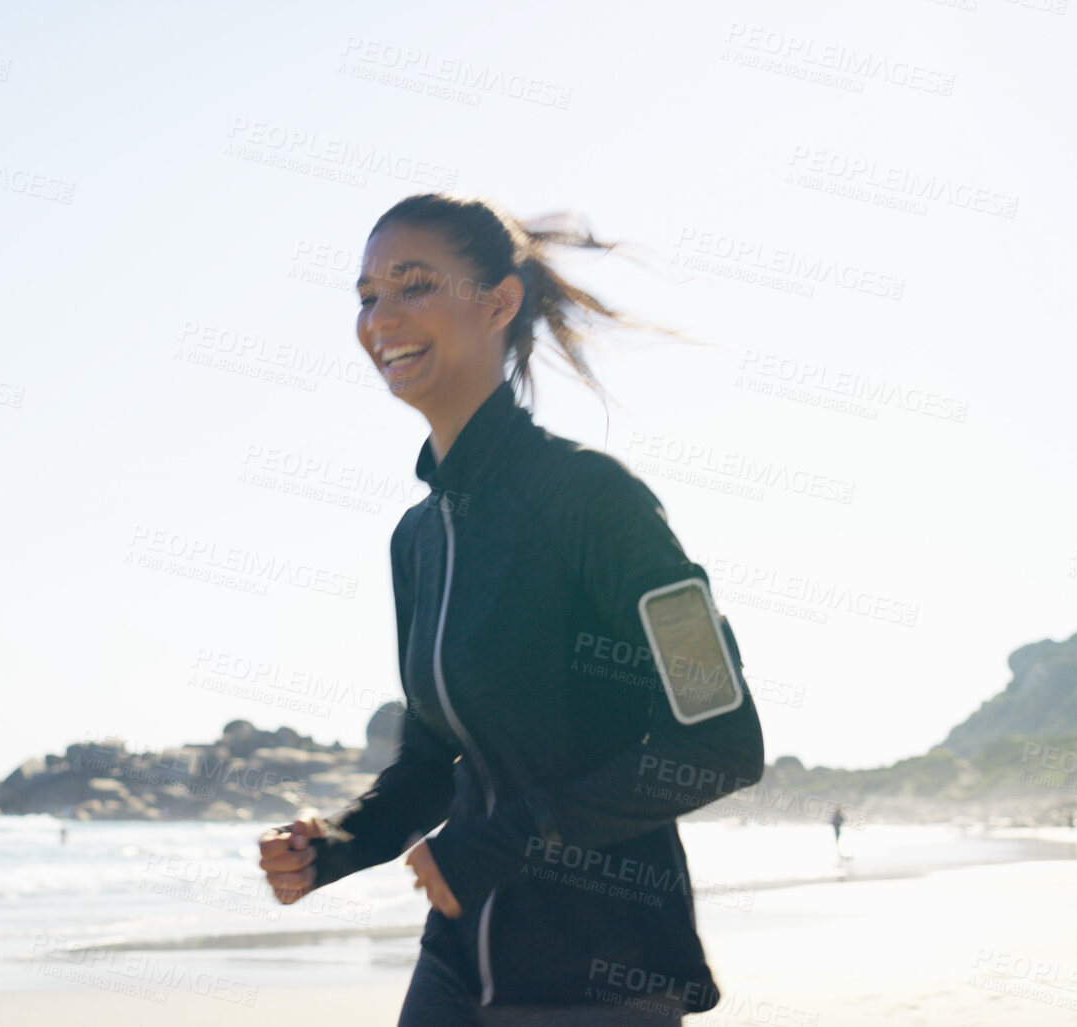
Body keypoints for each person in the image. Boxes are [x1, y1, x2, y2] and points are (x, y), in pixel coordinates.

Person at [258, 194, 766, 1024]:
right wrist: (339, 844)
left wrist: (503, 840)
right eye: (365, 295)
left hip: (597, 970)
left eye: (412, 285)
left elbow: (720, 741)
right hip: (458, 960)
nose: (380, 317)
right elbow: (430, 764)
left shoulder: (598, 503)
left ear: (497, 301)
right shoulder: (417, 540)